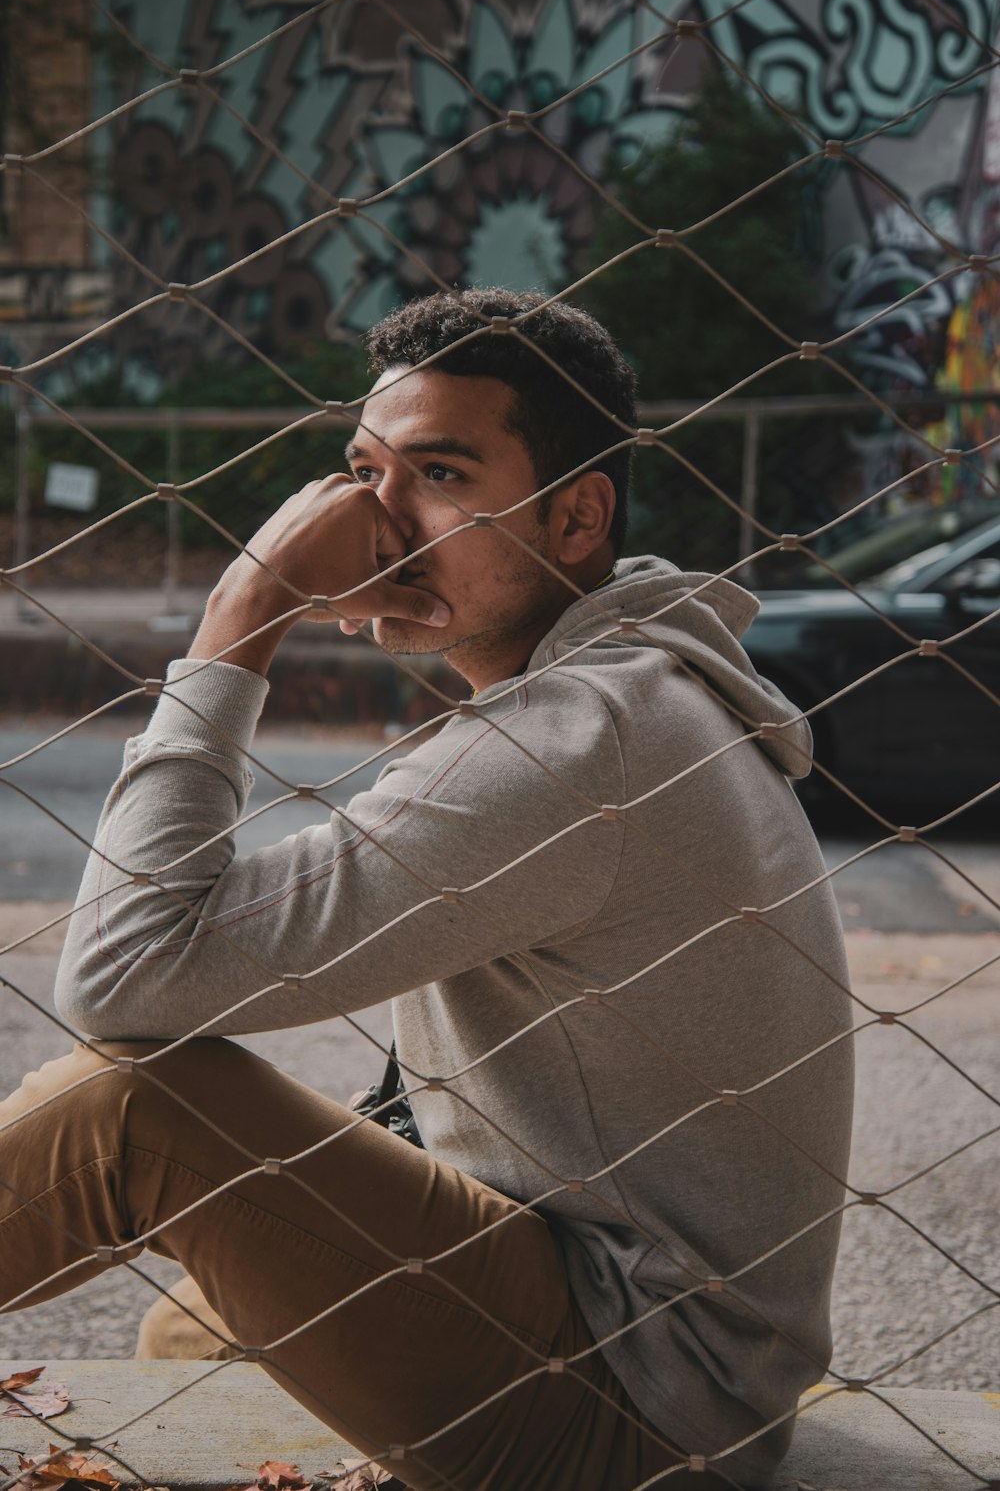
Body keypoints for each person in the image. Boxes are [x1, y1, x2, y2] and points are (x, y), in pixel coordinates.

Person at [0, 287, 853, 1491]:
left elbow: (124, 976)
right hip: (645, 1341)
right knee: (189, 1333)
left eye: (439, 474)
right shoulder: (629, 690)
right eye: (362, 469)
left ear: (574, 519)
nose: (375, 519)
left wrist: (241, 614)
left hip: (638, 1407)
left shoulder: (580, 741)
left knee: (132, 1105)